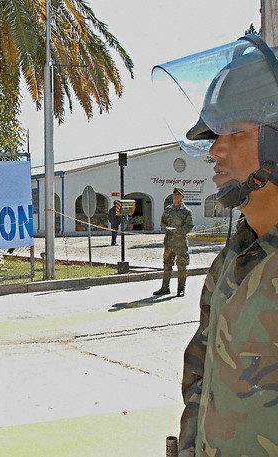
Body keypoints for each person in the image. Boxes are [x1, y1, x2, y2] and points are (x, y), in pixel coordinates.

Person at [153, 34, 278, 456]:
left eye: (235, 132)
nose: (215, 150)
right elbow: (201, 379)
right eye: (214, 135)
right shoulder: (232, 260)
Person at [153, 188, 193, 297]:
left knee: (182, 266)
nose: (176, 196)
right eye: (175, 194)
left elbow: (189, 226)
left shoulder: (186, 211)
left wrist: (178, 230)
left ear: (182, 197)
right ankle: (165, 288)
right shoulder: (168, 209)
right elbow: (162, 222)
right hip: (169, 242)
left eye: (178, 195)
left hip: (181, 244)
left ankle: (181, 289)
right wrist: (164, 227)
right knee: (167, 265)